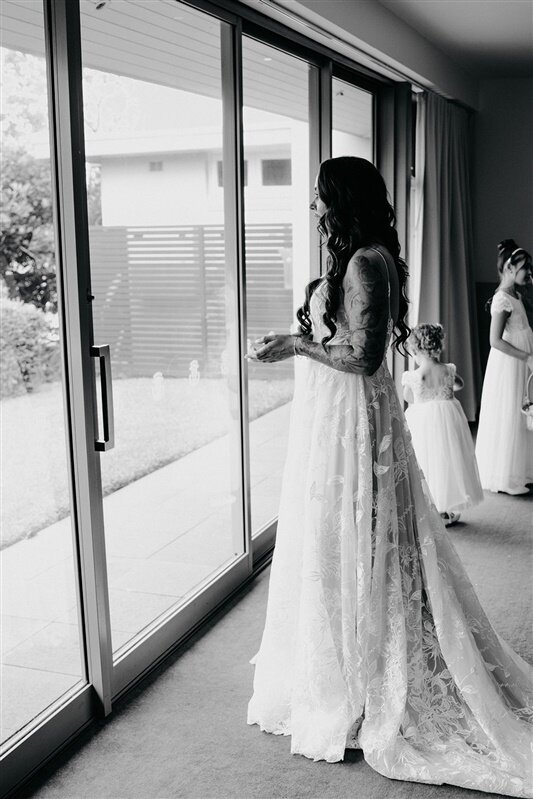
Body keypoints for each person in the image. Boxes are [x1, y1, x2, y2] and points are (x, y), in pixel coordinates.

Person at [246, 158, 532, 798]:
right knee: (357, 538)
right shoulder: (372, 254)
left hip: (352, 420)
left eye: (322, 201)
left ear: (342, 203)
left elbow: (363, 356)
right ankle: (350, 662)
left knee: (356, 537)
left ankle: (363, 677)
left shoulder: (363, 263)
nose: (315, 212)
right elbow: (354, 336)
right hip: (351, 415)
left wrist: (292, 347)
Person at [402, 323, 484, 525]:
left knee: (425, 461)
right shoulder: (448, 369)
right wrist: (445, 388)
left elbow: (409, 397)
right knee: (447, 462)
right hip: (447, 419)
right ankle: (445, 510)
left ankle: (427, 509)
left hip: (423, 421)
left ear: (415, 350)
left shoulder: (414, 376)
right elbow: (459, 384)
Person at [475, 239, 533, 494]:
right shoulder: (502, 300)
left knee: (522, 411)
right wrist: (526, 356)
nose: (529, 272)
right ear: (510, 268)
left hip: (521, 361)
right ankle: (505, 476)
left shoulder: (517, 296)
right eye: (525, 268)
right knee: (510, 410)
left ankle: (521, 469)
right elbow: (495, 340)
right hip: (510, 363)